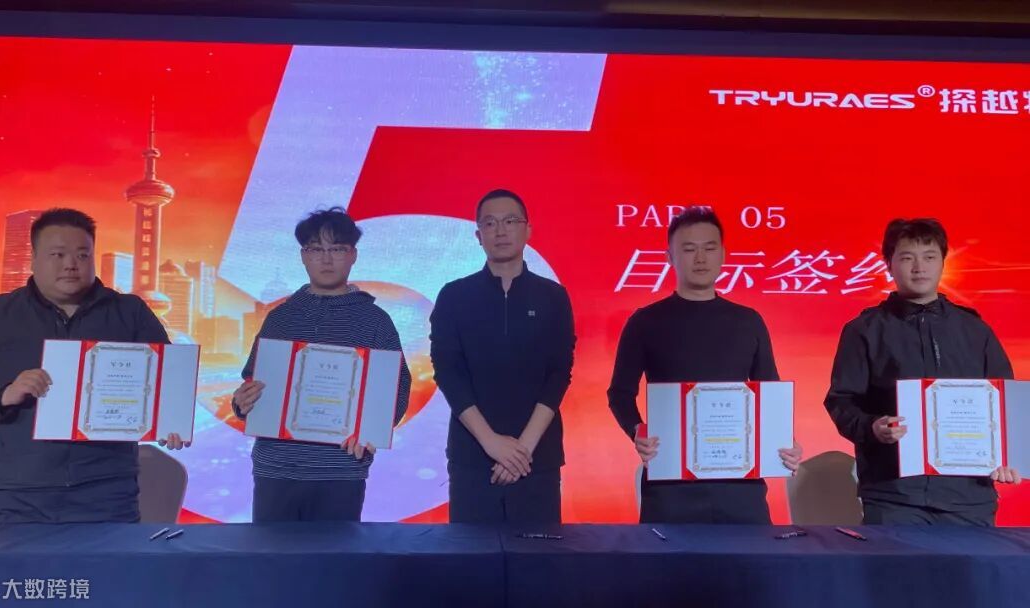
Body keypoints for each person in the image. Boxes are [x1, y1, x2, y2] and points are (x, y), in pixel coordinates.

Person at [0, 208, 186, 524]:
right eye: (58, 254)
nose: (71, 264)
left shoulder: (129, 312)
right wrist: (3, 394)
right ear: (33, 259)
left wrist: (170, 420)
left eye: (82, 254)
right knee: (22, 560)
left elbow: (166, 381)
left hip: (109, 492)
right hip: (21, 494)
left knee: (110, 559)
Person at [608, 206, 801, 524]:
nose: (700, 258)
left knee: (748, 556)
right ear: (669, 257)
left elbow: (769, 394)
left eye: (709, 248)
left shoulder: (748, 321)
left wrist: (783, 441)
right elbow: (619, 394)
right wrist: (637, 430)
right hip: (671, 488)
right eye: (688, 249)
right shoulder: (645, 322)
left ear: (723, 255)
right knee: (669, 558)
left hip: (740, 485)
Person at [825, 217, 1020, 525]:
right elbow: (841, 401)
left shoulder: (974, 329)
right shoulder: (864, 330)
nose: (919, 267)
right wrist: (872, 426)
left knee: (970, 560)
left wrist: (1009, 456)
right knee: (896, 560)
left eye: (929, 257)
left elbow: (1005, 402)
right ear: (889, 265)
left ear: (943, 262)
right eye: (907, 258)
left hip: (969, 496)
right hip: (894, 495)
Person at [232, 207, 412, 522]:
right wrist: (242, 402)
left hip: (341, 470)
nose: (326, 259)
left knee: (335, 554)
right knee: (273, 553)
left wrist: (372, 431)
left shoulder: (375, 321)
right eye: (316, 249)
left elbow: (397, 386)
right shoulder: (281, 318)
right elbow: (252, 381)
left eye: (337, 249)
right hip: (276, 468)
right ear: (303, 256)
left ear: (353, 255)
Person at [430, 189, 575, 523]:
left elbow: (559, 373)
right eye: (490, 223)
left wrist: (521, 450)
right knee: (472, 554)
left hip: (537, 458)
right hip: (473, 457)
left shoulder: (553, 297)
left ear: (527, 230)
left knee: (538, 554)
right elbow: (448, 372)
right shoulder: (454, 296)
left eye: (510, 221)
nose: (500, 231)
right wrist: (491, 443)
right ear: (478, 235)